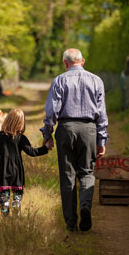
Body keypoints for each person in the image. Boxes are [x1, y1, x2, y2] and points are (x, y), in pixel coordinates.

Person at [41, 48, 108, 232]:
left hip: (66, 128)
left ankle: (71, 223)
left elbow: (51, 112)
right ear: (83, 61)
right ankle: (85, 205)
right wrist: (101, 140)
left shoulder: (59, 80)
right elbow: (101, 114)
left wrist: (47, 136)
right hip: (89, 129)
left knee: (67, 177)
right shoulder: (96, 81)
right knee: (87, 172)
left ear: (65, 63)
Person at [0, 108, 53, 216]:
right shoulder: (21, 138)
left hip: (1, 169)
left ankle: (5, 208)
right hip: (16, 169)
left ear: (7, 120)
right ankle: (16, 203)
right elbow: (32, 152)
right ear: (22, 123)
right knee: (17, 191)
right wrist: (45, 148)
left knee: (3, 193)